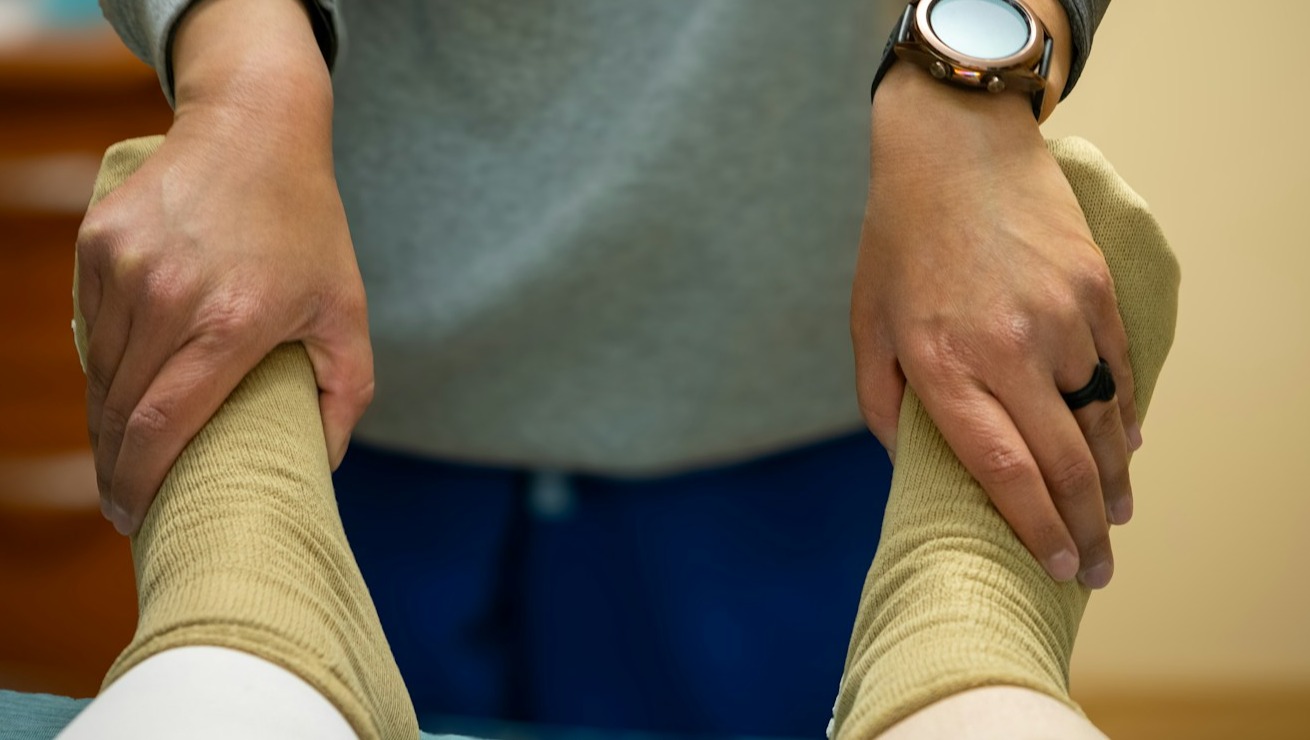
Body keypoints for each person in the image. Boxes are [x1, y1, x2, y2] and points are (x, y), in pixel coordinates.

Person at [79, 0, 1123, 734]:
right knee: (968, 704)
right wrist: (244, 88)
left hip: (791, 423)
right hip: (360, 413)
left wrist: (965, 87)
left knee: (227, 680)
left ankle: (231, 641)